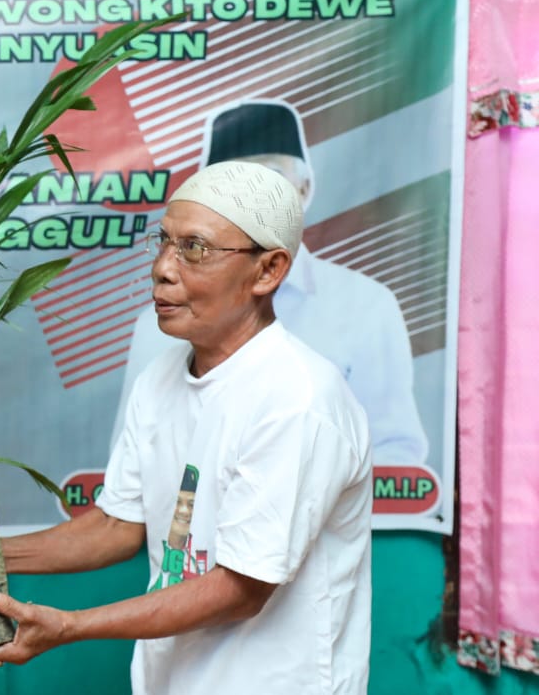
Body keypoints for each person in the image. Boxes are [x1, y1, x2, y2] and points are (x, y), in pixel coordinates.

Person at [0, 160, 373, 695]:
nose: (163, 268)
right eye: (163, 241)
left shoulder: (297, 399)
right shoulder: (161, 377)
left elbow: (240, 588)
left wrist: (68, 626)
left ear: (268, 270)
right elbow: (118, 527)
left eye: (195, 248)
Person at [110, 98, 428, 470]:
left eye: (271, 177)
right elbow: (127, 469)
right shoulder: (159, 325)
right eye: (229, 184)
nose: (250, 199)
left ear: (305, 187)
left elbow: (394, 455)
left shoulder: (366, 306)